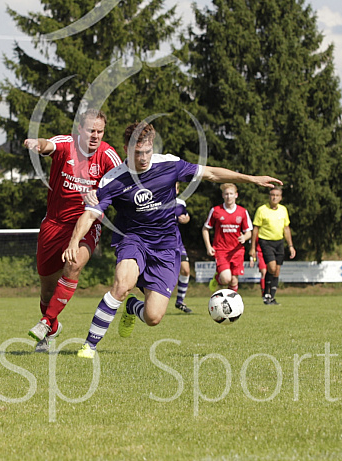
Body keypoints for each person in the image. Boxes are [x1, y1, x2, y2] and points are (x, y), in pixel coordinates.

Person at [62, 121, 282, 359]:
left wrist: (250, 179)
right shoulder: (113, 180)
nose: (144, 158)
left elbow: (210, 173)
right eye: (137, 153)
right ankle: (89, 346)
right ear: (126, 148)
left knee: (153, 317)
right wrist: (74, 242)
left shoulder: (169, 164)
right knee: (121, 284)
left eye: (147, 151)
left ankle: (132, 308)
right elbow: (90, 214)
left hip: (166, 247)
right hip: (133, 239)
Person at [25, 109, 122, 353]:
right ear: (80, 129)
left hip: (87, 223)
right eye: (91, 130)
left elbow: (124, 181)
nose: (95, 136)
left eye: (100, 131)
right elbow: (49, 145)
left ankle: (45, 323)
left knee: (75, 263)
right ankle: (53, 325)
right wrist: (38, 144)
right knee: (47, 290)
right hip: (54, 224)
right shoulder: (66, 144)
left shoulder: (108, 155)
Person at [202, 183, 252, 293]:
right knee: (226, 278)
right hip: (221, 250)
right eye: (226, 194)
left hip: (237, 251)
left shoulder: (242, 212)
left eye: (231, 194)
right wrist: (208, 246)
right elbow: (205, 229)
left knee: (234, 281)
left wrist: (245, 237)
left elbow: (249, 232)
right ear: (223, 196)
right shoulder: (216, 211)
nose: (229, 196)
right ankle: (217, 278)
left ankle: (231, 304)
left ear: (236, 195)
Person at [250, 186, 296, 305]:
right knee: (272, 268)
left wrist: (290, 245)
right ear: (269, 196)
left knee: (277, 271)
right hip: (266, 242)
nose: (274, 197)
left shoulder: (283, 210)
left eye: (277, 195)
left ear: (280, 198)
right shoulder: (262, 210)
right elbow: (256, 229)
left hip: (279, 242)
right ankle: (266, 293)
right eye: (272, 195)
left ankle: (271, 297)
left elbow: (286, 228)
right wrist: (253, 248)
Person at [173, 183, 192, 313]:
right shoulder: (156, 200)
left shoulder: (180, 202)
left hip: (177, 242)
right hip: (161, 243)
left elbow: (186, 216)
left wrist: (185, 219)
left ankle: (180, 301)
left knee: (185, 270)